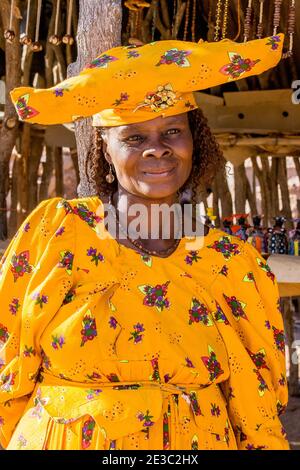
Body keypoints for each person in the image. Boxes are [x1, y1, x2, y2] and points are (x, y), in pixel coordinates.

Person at [0, 34, 289, 450]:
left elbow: (256, 397)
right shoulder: (59, 234)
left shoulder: (231, 261)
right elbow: (8, 362)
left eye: (172, 131)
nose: (157, 150)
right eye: (134, 137)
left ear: (195, 141)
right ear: (105, 146)